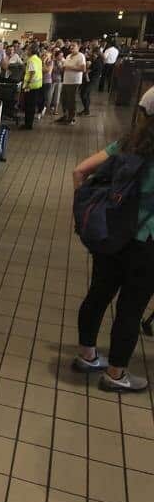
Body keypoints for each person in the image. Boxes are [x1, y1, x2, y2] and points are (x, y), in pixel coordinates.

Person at [71, 87, 154, 392]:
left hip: (111, 237)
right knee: (130, 309)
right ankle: (116, 374)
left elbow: (80, 171)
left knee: (98, 294)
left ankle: (87, 356)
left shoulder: (127, 143)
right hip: (146, 244)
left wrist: (83, 212)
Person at [58, 43, 86, 125]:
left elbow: (83, 69)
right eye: (71, 46)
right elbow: (65, 66)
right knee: (64, 99)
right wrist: (62, 68)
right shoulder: (68, 56)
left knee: (71, 100)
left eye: (74, 46)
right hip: (66, 80)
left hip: (74, 81)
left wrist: (70, 68)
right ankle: (65, 115)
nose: (71, 47)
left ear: (78, 47)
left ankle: (72, 118)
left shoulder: (81, 56)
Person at [21, 42, 43, 130]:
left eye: (28, 49)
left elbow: (32, 72)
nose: (26, 51)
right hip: (37, 85)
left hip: (31, 86)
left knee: (29, 106)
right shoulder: (38, 59)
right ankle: (29, 123)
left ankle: (28, 125)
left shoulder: (31, 60)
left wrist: (28, 85)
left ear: (31, 50)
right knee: (32, 106)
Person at [79, 47, 103, 117]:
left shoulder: (98, 61)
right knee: (86, 94)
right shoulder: (96, 60)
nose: (91, 53)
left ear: (96, 53)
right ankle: (86, 110)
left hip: (92, 80)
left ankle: (86, 110)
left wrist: (86, 71)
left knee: (84, 94)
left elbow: (88, 70)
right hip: (91, 79)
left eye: (92, 52)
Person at [49, 49, 64, 116]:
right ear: (56, 56)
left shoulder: (63, 62)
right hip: (52, 80)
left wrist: (60, 66)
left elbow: (63, 72)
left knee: (57, 96)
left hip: (59, 80)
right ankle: (48, 107)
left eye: (62, 56)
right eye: (60, 56)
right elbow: (50, 71)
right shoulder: (52, 61)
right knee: (49, 95)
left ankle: (55, 110)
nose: (61, 57)